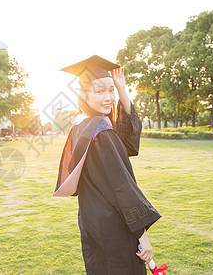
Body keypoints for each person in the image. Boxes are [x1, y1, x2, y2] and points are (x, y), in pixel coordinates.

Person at [53, 55, 162, 274]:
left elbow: (125, 143)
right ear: (84, 94)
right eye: (99, 91)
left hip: (92, 223)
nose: (108, 97)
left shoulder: (82, 126)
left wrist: (121, 89)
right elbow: (121, 187)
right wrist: (143, 236)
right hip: (115, 228)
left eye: (110, 91)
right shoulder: (101, 132)